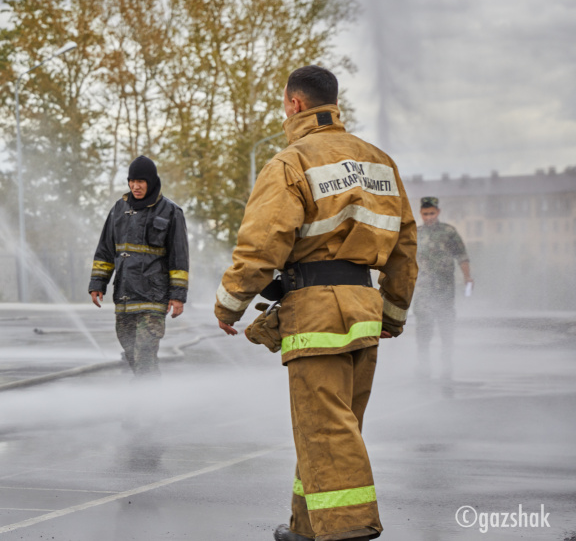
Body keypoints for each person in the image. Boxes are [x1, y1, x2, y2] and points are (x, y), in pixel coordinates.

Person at [214, 66, 417, 541]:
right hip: (365, 312)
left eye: (285, 102)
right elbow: (406, 249)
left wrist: (229, 304)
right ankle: (307, 527)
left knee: (325, 430)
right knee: (335, 427)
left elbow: (262, 243)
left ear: (295, 104)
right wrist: (393, 313)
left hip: (316, 313)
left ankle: (347, 530)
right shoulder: (380, 163)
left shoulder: (291, 162)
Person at [88, 155, 189, 377]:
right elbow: (105, 250)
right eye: (132, 181)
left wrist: (178, 296)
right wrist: (98, 283)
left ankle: (150, 400)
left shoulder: (171, 212)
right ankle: (148, 393)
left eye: (141, 181)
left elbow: (179, 258)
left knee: (144, 352)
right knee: (131, 352)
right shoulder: (118, 209)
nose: (135, 186)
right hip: (125, 297)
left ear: (151, 182)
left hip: (154, 296)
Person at [413, 196, 472, 381]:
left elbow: (462, 256)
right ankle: (424, 365)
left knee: (446, 327)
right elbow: (406, 260)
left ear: (438, 212)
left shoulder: (448, 232)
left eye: (431, 213)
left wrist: (468, 277)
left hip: (444, 289)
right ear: (421, 214)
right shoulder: (416, 233)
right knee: (423, 327)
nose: (428, 217)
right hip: (423, 290)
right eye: (425, 214)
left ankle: (447, 363)